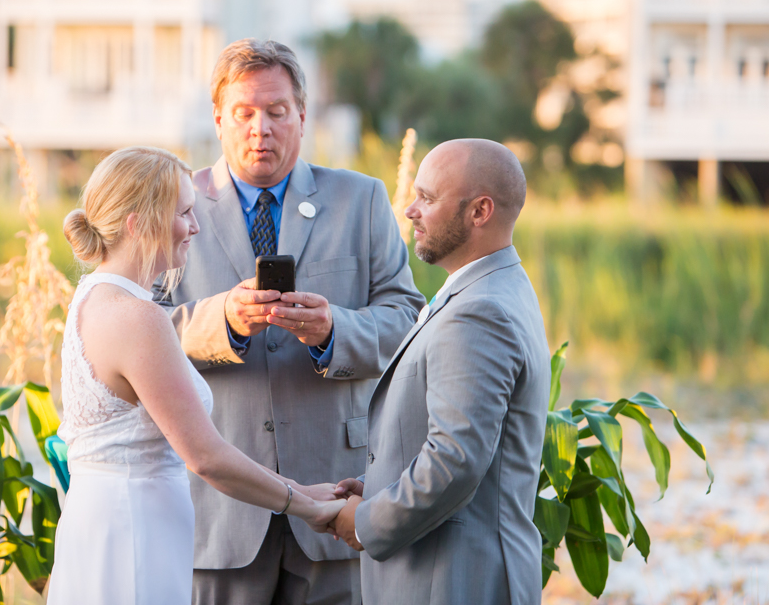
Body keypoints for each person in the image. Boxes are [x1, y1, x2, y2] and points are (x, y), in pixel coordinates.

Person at [151, 39, 425, 605]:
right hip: (219, 505)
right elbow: (141, 334)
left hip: (334, 498)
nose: (261, 129)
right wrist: (222, 320)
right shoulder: (174, 206)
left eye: (277, 112)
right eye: (245, 114)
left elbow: (407, 322)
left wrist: (335, 332)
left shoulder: (363, 200)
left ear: (303, 115)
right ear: (219, 119)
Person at [47, 147, 346, 605]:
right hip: (133, 533)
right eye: (184, 213)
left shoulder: (91, 295)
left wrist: (303, 488)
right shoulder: (138, 317)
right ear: (138, 223)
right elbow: (205, 456)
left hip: (106, 523)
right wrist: (308, 505)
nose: (196, 226)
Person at [329, 139, 551, 605]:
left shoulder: (480, 311)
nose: (410, 210)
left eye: (427, 198)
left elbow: (455, 460)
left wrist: (366, 523)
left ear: (480, 212)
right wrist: (377, 486)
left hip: (456, 580)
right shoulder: (492, 285)